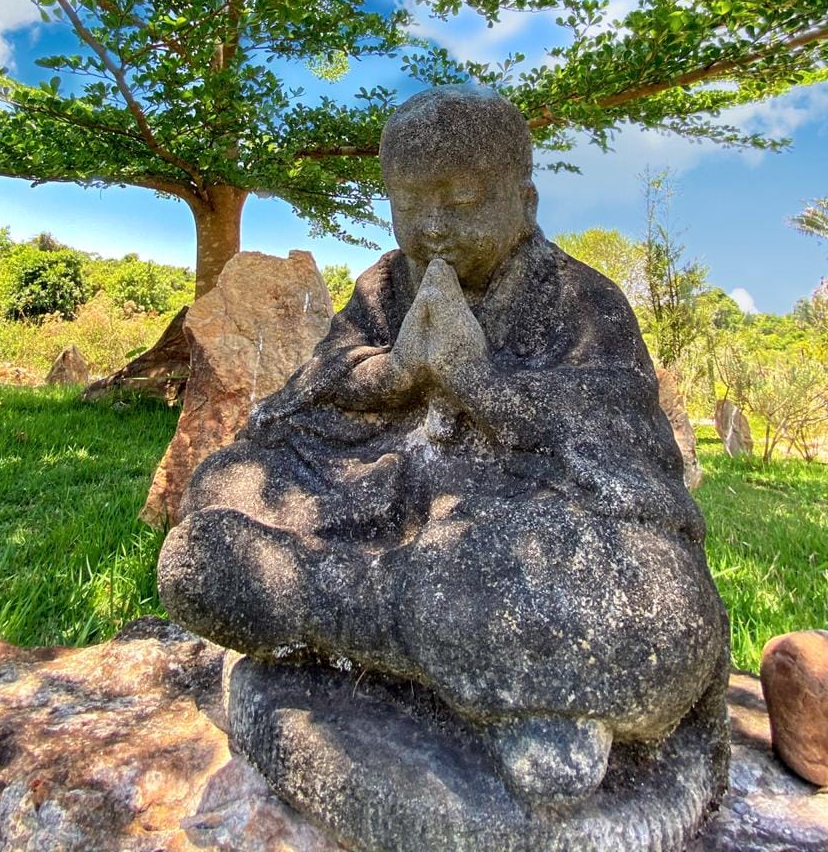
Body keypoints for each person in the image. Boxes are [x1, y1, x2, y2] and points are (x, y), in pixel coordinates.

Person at [158, 86, 728, 799]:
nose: (432, 228)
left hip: (511, 533)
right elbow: (302, 402)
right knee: (223, 490)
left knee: (655, 608)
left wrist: (478, 382)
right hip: (380, 507)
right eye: (411, 204)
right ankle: (497, 676)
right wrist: (395, 373)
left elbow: (627, 468)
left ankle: (325, 615)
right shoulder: (384, 288)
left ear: (524, 202)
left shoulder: (582, 302)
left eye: (460, 203)